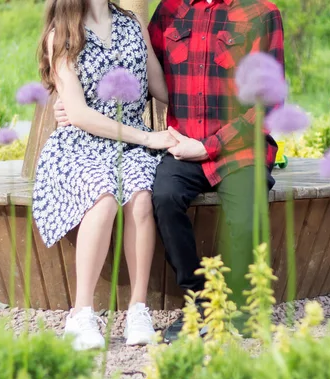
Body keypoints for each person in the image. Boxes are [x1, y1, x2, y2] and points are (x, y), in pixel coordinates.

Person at [55, 0, 285, 343]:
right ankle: (199, 299)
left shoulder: (261, 13)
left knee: (244, 213)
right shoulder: (171, 11)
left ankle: (240, 303)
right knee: (162, 197)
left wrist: (210, 146)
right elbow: (132, 64)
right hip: (182, 145)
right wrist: (70, 102)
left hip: (239, 148)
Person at [34, 0, 176, 350]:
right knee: (104, 195)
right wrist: (146, 137)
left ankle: (138, 310)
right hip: (80, 144)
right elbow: (80, 115)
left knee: (141, 195)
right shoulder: (63, 35)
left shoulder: (131, 25)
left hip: (128, 143)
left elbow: (161, 87)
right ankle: (81, 313)